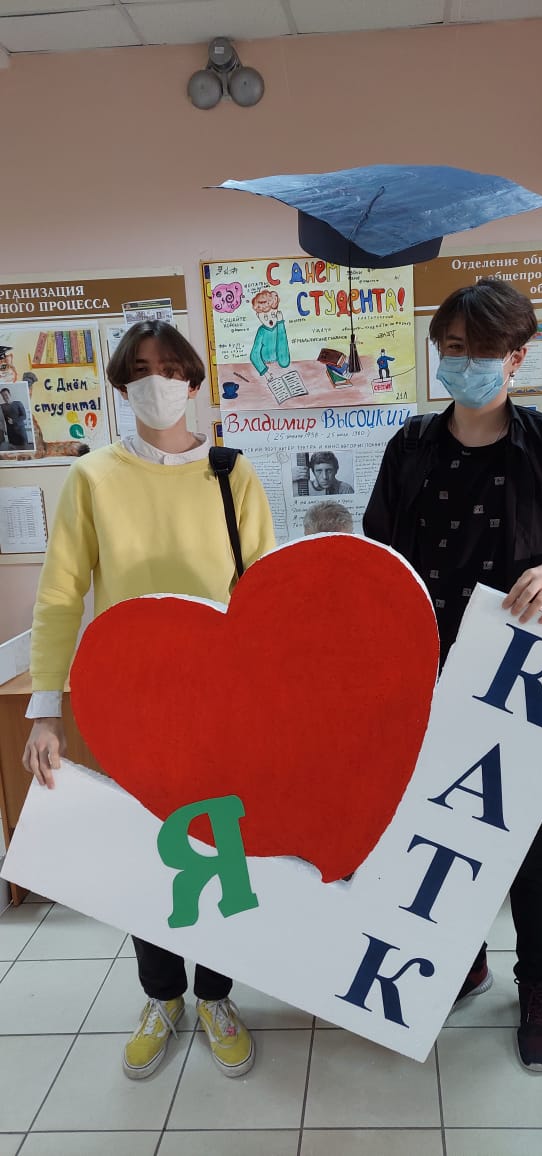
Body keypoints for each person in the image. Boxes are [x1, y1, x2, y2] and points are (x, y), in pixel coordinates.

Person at [364, 278, 542, 1074]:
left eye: (482, 351)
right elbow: (378, 559)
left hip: (516, 681)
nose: (464, 363)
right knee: (432, 827)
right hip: (421, 672)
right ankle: (459, 957)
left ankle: (537, 982)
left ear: (517, 356)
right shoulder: (409, 447)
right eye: (451, 349)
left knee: (525, 842)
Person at [22, 320, 275, 1082]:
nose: (155, 382)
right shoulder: (93, 477)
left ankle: (217, 996)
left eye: (168, 368)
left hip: (223, 703)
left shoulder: (232, 473)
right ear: (120, 385)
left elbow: (263, 595)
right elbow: (60, 594)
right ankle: (162, 996)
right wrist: (44, 709)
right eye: (138, 370)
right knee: (148, 856)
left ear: (193, 380)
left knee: (222, 850)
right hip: (129, 705)